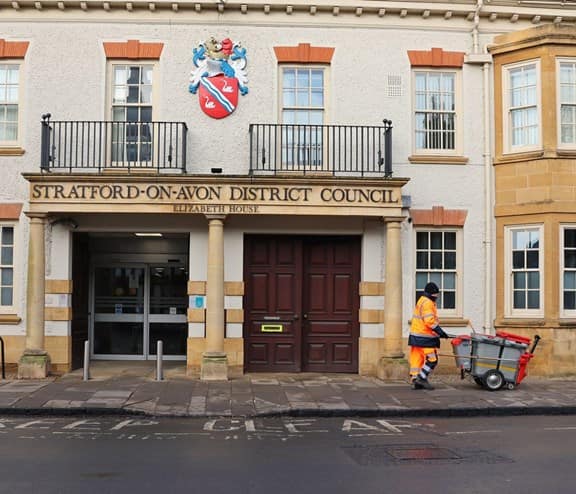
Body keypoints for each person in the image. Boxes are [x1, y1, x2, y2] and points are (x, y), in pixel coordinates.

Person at [409, 282, 450, 390]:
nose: (437, 297)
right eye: (436, 295)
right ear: (432, 294)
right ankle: (421, 378)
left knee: (417, 359)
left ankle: (415, 379)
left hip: (416, 336)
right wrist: (440, 331)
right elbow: (429, 321)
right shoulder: (428, 303)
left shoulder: (421, 300)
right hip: (425, 337)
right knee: (432, 359)